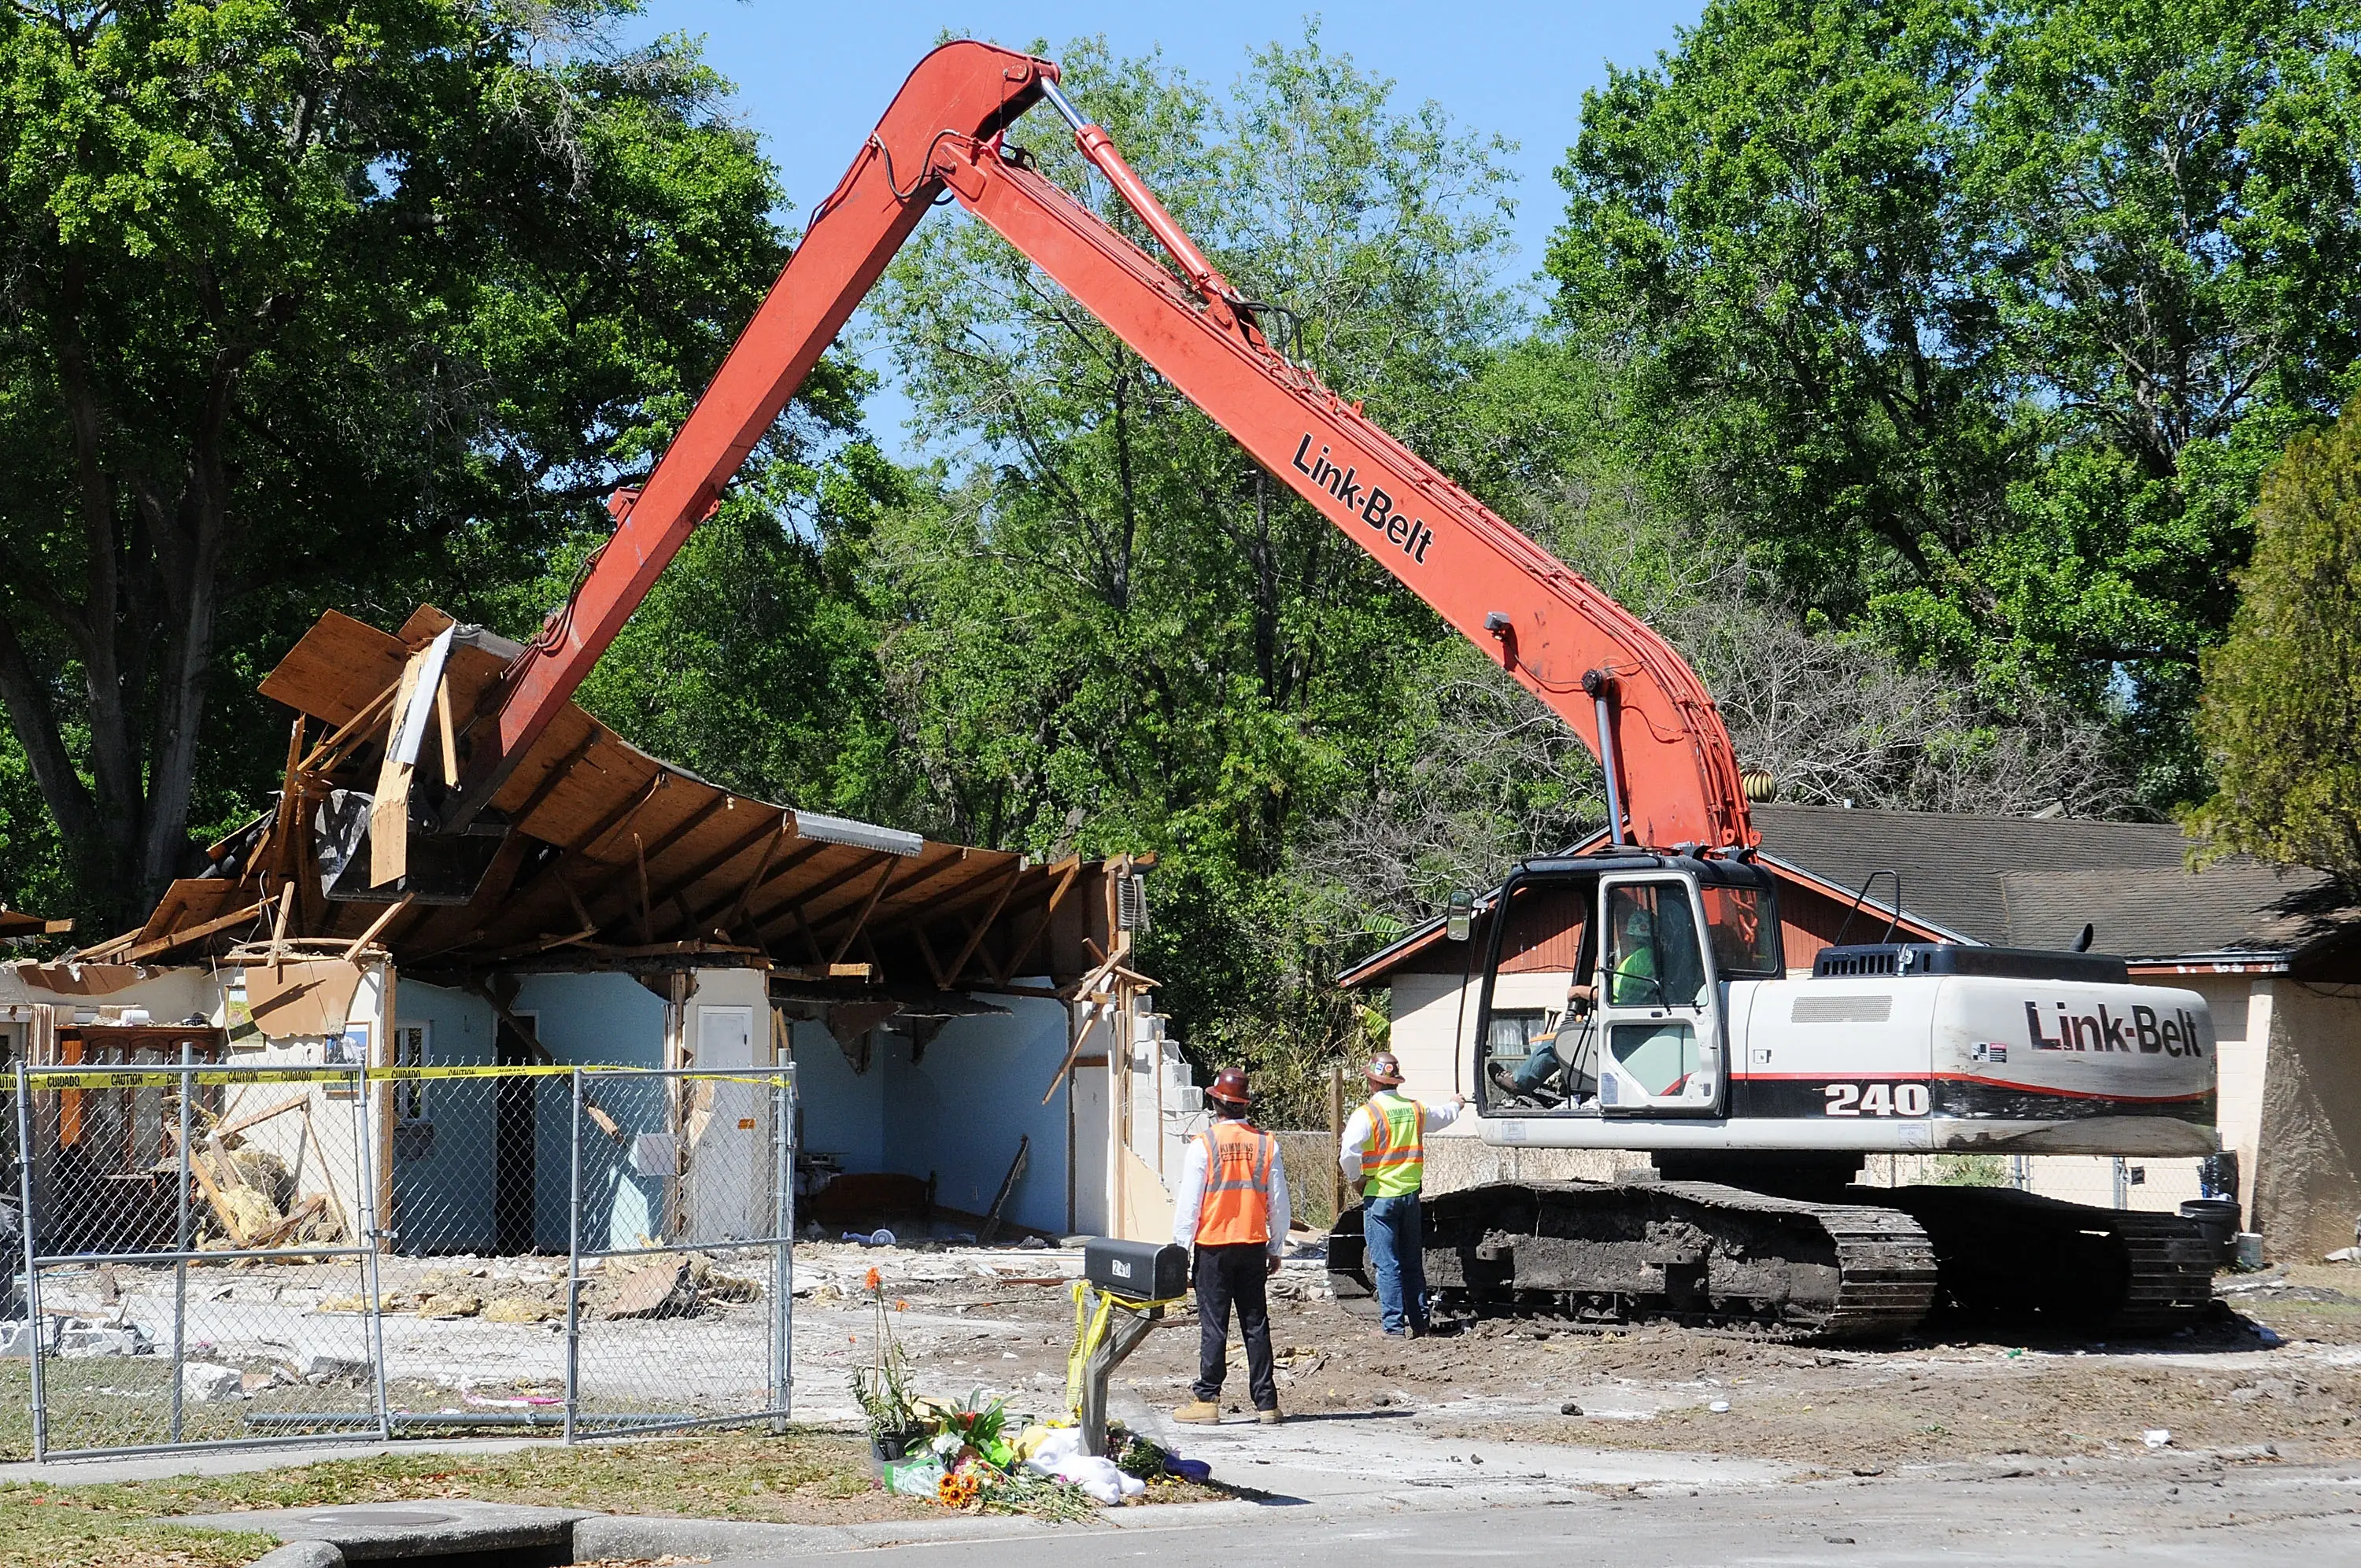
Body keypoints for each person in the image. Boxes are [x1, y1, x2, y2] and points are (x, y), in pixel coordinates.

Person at [1170, 1066, 1291, 1426]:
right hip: (1252, 1245)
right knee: (1256, 1323)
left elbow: (1190, 1204)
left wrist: (1180, 1250)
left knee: (1214, 1325)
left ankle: (1207, 1400)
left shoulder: (1203, 1145)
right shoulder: (1266, 1144)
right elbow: (1278, 1202)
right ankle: (1267, 1403)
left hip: (1213, 1247)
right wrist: (1276, 1246)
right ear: (1244, 1105)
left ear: (1215, 1102)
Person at [1338, 1052, 1466, 1336]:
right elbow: (1442, 1116)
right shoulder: (1415, 1109)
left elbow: (1348, 1153)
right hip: (1410, 1198)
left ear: (1372, 1082)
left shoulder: (1367, 1114)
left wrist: (1356, 1179)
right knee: (1411, 1263)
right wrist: (1457, 1104)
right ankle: (1420, 1324)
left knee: (1387, 1265)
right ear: (1396, 1081)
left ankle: (1394, 1328)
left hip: (1380, 1197)